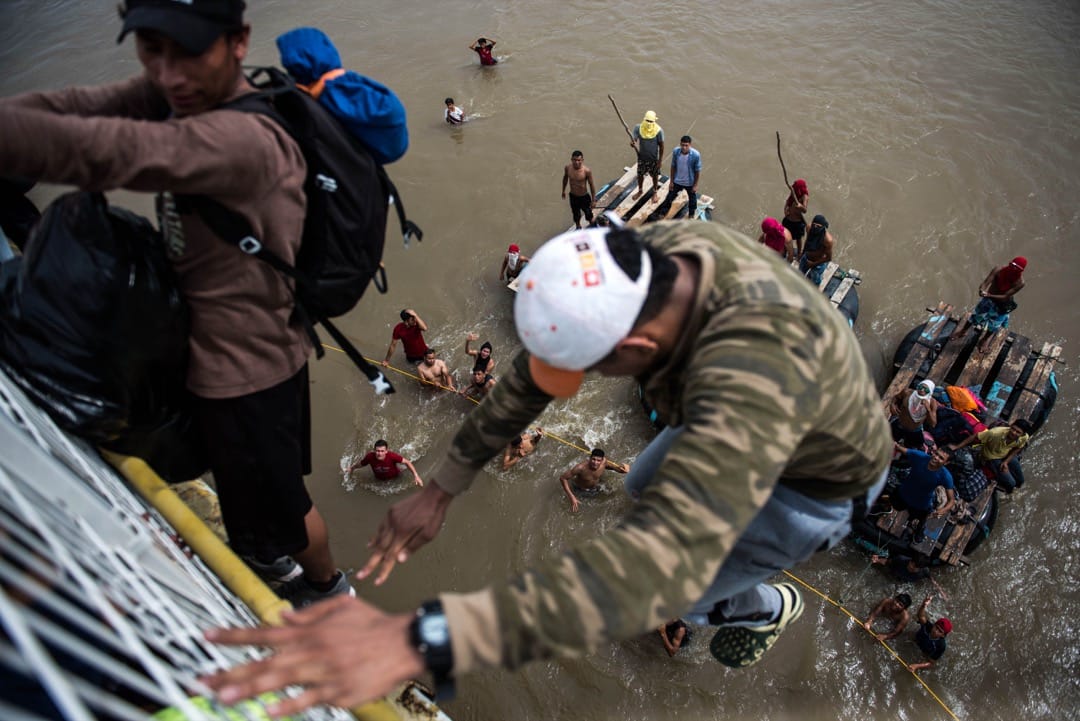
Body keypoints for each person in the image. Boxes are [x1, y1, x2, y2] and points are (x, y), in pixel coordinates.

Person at [203, 222, 893, 713]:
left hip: (814, 484)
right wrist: (442, 486)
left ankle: (767, 605)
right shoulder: (652, 259)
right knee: (639, 483)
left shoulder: (748, 382)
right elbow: (531, 381)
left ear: (639, 346)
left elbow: (641, 572)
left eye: (588, 368)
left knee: (675, 595)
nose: (567, 380)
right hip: (719, 414)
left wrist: (423, 639)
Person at [0, 0, 355, 607]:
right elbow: (78, 108)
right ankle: (271, 556)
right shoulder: (186, 94)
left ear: (238, 42)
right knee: (250, 490)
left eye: (188, 51)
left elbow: (100, 149)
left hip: (248, 368)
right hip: (209, 343)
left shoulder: (239, 139)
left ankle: (329, 593)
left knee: (285, 507)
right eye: (151, 50)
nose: (168, 73)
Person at [949, 257, 1027, 353]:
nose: (1012, 268)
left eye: (1016, 268)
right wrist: (982, 289)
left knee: (994, 325)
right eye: (1012, 265)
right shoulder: (998, 270)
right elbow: (985, 282)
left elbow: (1005, 296)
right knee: (975, 317)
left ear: (1020, 271)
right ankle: (963, 331)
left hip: (1001, 305)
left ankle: (984, 340)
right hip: (988, 300)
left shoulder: (1020, 283)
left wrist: (989, 295)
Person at [890, 445, 956, 543]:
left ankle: (919, 530)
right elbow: (898, 447)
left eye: (941, 458)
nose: (936, 457)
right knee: (893, 503)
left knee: (921, 520)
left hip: (921, 504)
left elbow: (952, 500)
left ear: (946, 463)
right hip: (903, 493)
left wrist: (942, 510)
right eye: (936, 454)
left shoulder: (946, 476)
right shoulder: (920, 456)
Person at [949, 419, 1031, 493]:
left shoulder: (1024, 437)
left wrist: (1006, 462)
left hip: (1006, 454)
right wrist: (957, 447)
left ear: (1023, 434)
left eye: (1018, 432)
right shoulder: (995, 433)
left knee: (1021, 480)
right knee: (1011, 483)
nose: (1013, 433)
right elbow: (975, 436)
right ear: (1011, 426)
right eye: (1013, 429)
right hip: (992, 458)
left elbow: (1019, 447)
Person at [558, 448, 630, 512]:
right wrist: (572, 497)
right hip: (580, 489)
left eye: (598, 460)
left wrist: (622, 470)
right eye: (593, 459)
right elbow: (563, 478)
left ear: (602, 460)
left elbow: (613, 467)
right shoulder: (580, 468)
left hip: (595, 488)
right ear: (590, 458)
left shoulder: (604, 462)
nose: (595, 463)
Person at [885, 379, 939, 450]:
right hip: (900, 425)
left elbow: (933, 424)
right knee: (886, 441)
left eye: (926, 389)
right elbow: (896, 397)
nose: (922, 390)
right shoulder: (907, 392)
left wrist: (928, 409)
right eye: (920, 387)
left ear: (930, 391)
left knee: (911, 449)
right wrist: (892, 404)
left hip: (914, 430)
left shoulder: (932, 403)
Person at [347, 440, 423, 487]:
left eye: (382, 451)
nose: (379, 453)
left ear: (386, 451)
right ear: (374, 450)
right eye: (377, 451)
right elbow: (361, 464)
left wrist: (416, 476)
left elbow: (407, 462)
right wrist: (352, 468)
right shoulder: (370, 457)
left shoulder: (392, 456)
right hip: (379, 480)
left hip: (396, 477)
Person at [660, 136, 702, 219]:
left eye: (686, 145)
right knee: (669, 197)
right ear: (680, 144)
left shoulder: (696, 155)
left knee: (692, 200)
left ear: (690, 145)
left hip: (689, 182)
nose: (684, 147)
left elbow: (697, 171)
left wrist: (695, 185)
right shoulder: (676, 151)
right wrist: (671, 181)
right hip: (677, 181)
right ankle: (663, 213)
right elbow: (673, 166)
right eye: (682, 145)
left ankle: (691, 214)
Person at [908, 595, 951, 672]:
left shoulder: (940, 645)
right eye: (936, 627)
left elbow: (931, 663)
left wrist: (916, 666)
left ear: (943, 635)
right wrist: (923, 605)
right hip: (916, 640)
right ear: (934, 625)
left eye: (940, 631)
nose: (935, 631)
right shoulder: (928, 627)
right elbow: (920, 616)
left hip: (926, 652)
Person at [630, 110, 665, 203]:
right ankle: (640, 190)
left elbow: (661, 146)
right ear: (644, 119)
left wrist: (660, 161)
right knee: (640, 174)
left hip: (653, 159)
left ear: (654, 121)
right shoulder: (638, 128)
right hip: (642, 158)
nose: (649, 123)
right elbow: (634, 140)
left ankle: (655, 192)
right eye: (647, 121)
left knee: (655, 176)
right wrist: (633, 143)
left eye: (651, 121)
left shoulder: (659, 131)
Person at [561, 150, 597, 229]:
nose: (576, 162)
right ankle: (578, 227)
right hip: (573, 196)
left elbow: (591, 185)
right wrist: (563, 191)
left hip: (584, 197)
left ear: (582, 160)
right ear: (571, 159)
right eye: (574, 160)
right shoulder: (568, 168)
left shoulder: (586, 171)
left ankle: (594, 228)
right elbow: (565, 178)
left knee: (589, 215)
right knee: (576, 215)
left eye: (579, 160)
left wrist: (593, 200)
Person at [799, 214, 833, 285]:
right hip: (806, 257)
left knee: (815, 281)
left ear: (823, 227)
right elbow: (807, 240)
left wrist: (813, 264)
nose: (815, 227)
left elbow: (829, 258)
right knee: (799, 274)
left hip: (818, 263)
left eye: (818, 226)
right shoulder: (809, 227)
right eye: (814, 225)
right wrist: (802, 253)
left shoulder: (827, 240)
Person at [783, 179, 809, 257]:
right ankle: (785, 250)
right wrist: (785, 210)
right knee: (785, 236)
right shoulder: (793, 192)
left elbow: (805, 210)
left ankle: (799, 253)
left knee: (798, 239)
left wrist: (801, 206)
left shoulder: (805, 196)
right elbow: (787, 202)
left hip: (797, 222)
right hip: (788, 220)